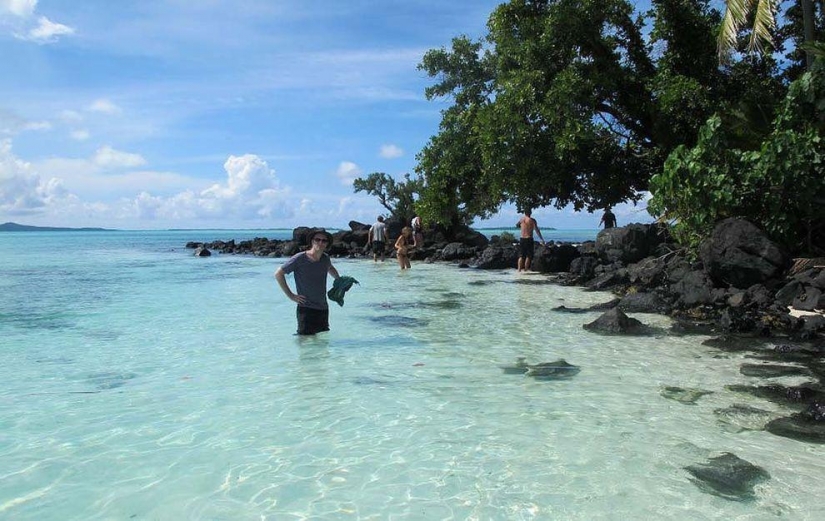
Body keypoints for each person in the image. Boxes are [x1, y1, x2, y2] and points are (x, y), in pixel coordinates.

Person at [274, 228, 340, 335]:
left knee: (322, 341)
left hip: (323, 307)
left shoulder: (325, 258)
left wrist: (339, 280)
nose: (320, 243)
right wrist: (291, 296)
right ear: (312, 241)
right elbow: (278, 274)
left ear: (327, 244)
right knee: (304, 341)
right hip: (306, 308)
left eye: (324, 241)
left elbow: (330, 268)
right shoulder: (300, 258)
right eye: (317, 239)